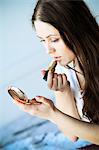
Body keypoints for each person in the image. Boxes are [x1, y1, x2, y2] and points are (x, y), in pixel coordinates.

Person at [14, 0, 99, 148]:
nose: (48, 50)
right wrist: (63, 91)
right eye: (42, 41)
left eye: (54, 40)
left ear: (77, 29)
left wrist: (52, 114)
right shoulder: (64, 68)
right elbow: (72, 135)